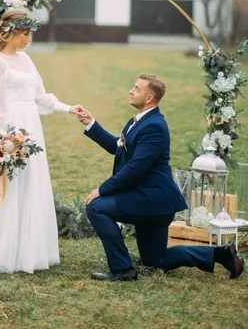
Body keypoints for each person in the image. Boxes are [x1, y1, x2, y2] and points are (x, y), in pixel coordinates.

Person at [77, 73, 244, 281]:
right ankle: (221, 254)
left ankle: (122, 269)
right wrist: (91, 123)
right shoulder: (139, 121)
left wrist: (100, 190)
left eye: (137, 88)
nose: (131, 90)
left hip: (151, 202)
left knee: (95, 206)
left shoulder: (154, 127)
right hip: (150, 202)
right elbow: (119, 149)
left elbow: (135, 169)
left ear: (149, 98)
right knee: (156, 259)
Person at [0, 8, 83, 275]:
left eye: (30, 34)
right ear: (11, 32)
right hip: (9, 134)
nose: (28, 39)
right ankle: (2, 250)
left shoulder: (26, 60)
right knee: (8, 186)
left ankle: (28, 250)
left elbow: (40, 96)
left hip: (31, 128)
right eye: (25, 33)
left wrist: (68, 108)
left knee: (29, 185)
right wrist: (4, 143)